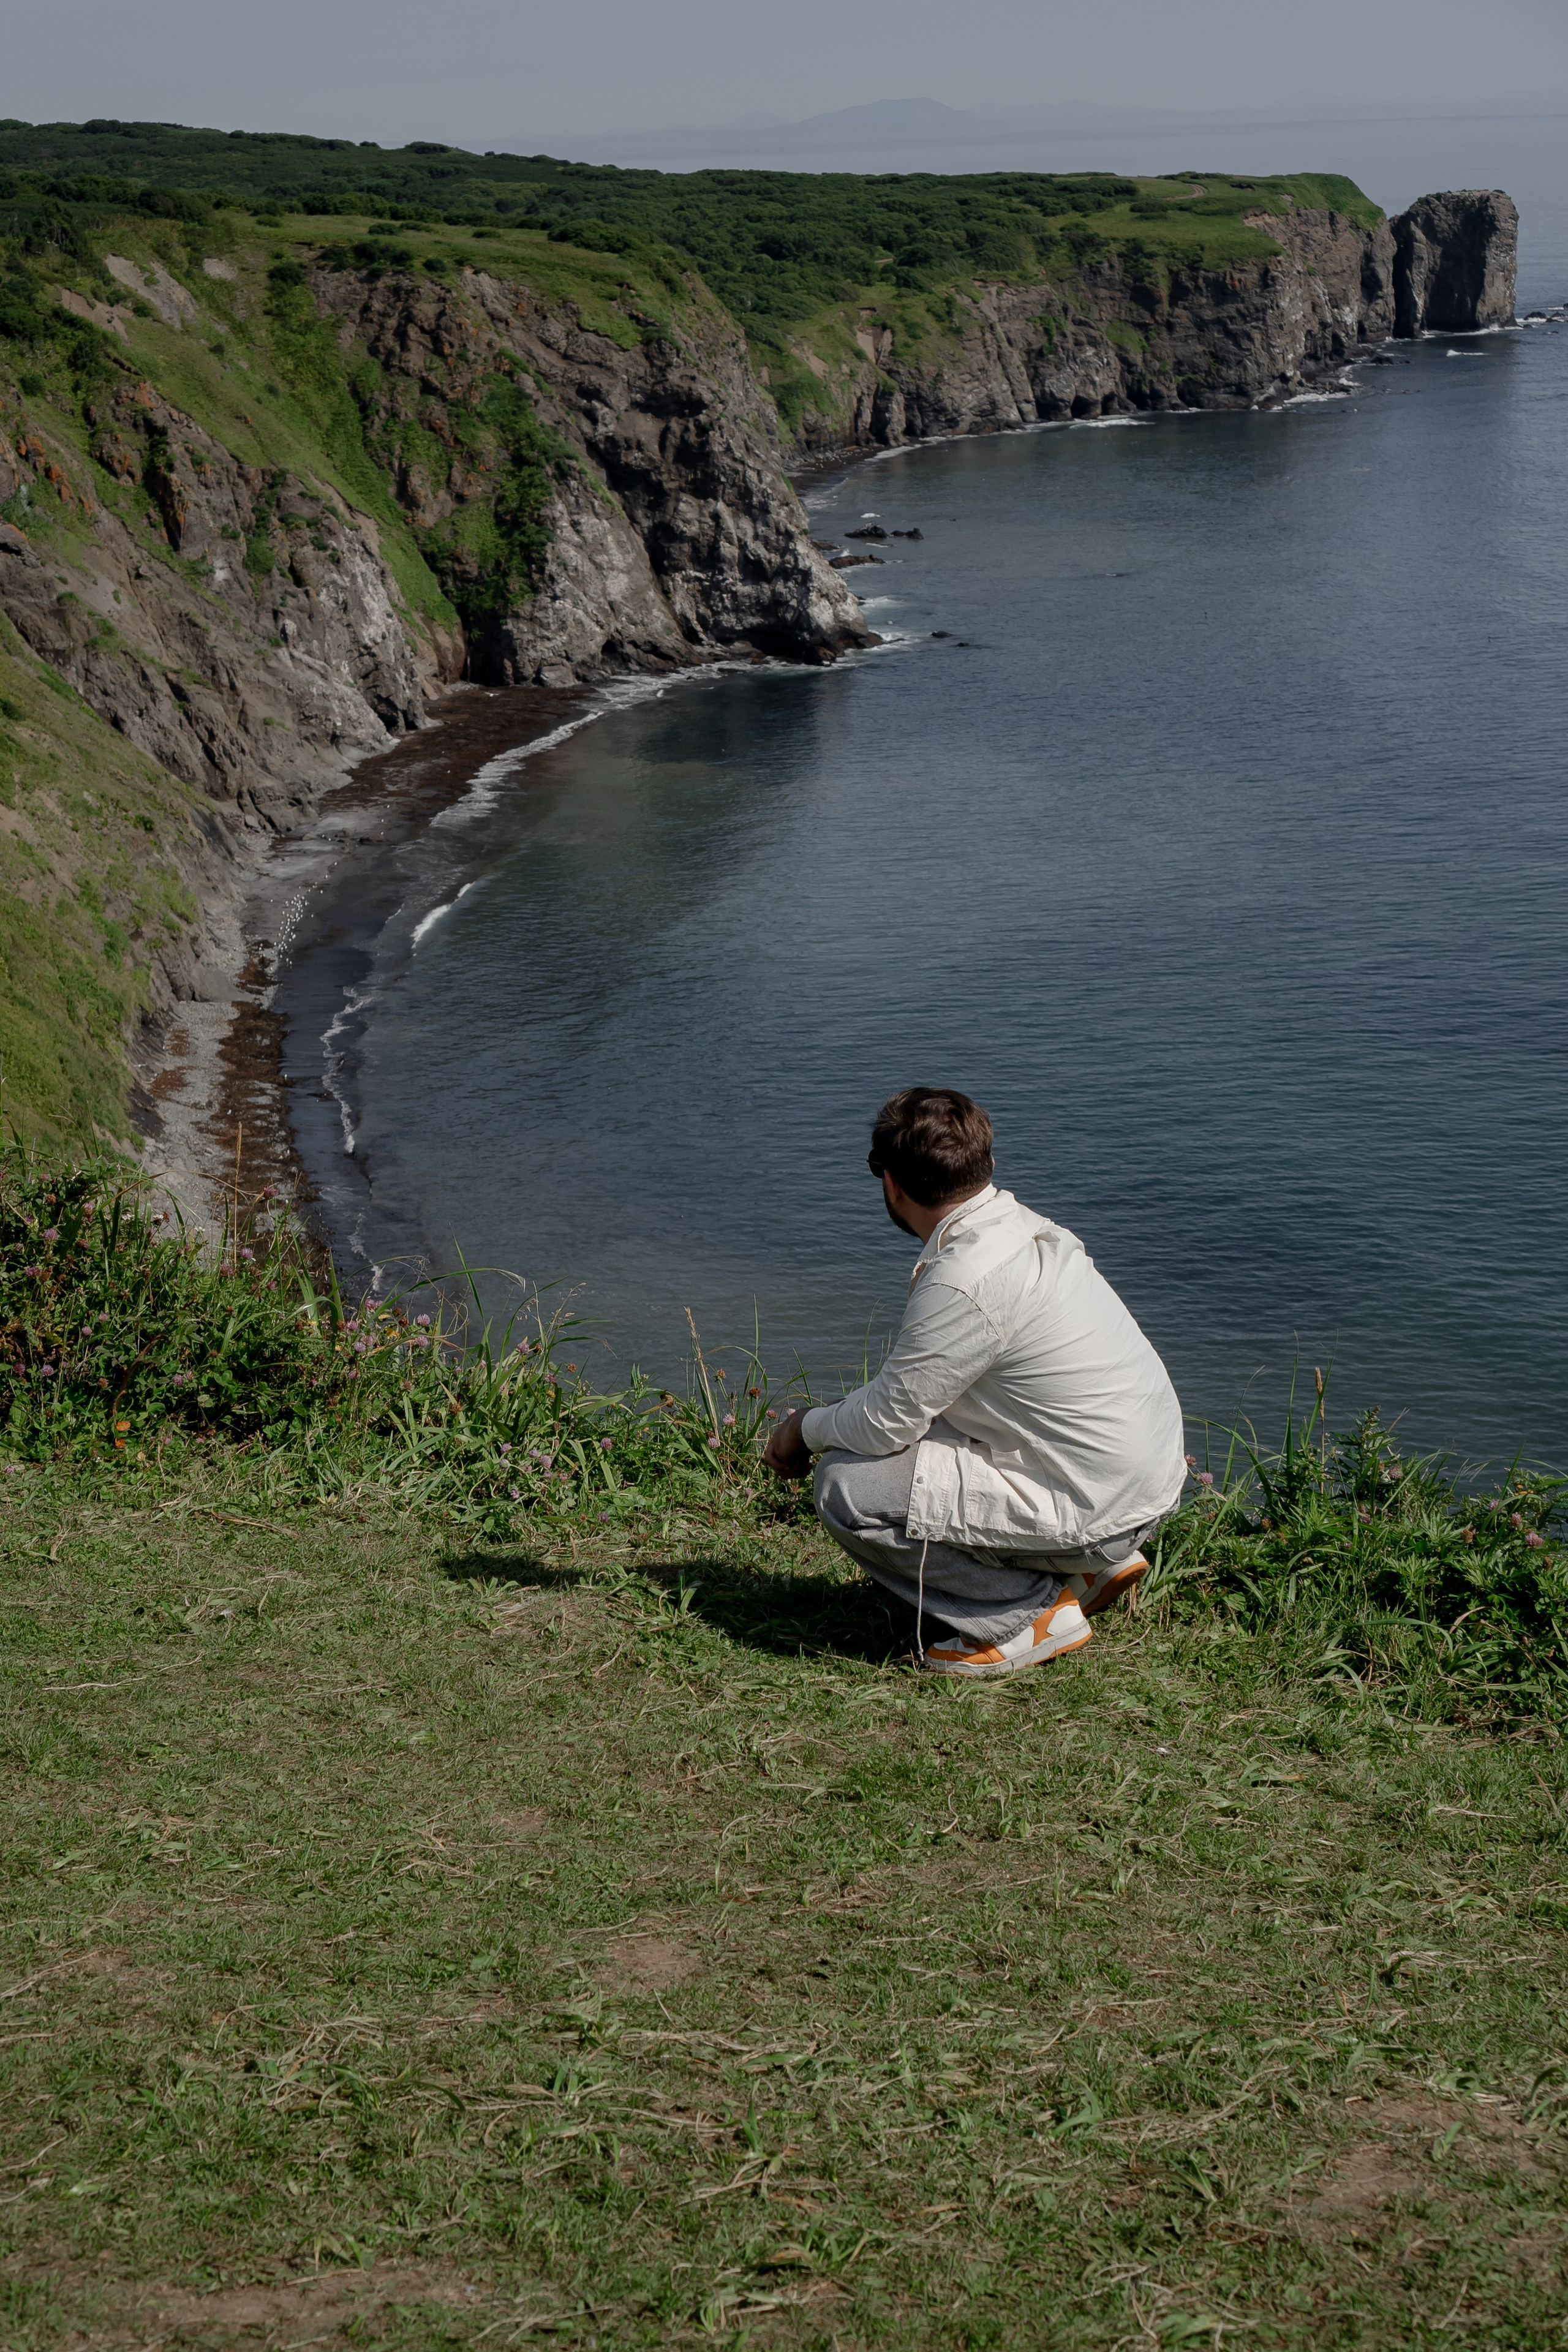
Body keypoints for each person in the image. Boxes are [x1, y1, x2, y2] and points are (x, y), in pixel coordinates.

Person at [763, 1087, 1186, 1678]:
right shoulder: (1023, 1229)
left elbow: (887, 1422)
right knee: (925, 1429)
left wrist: (800, 1430)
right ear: (982, 1164)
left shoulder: (964, 1279)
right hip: (1138, 1485)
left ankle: (1023, 1616)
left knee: (847, 1486)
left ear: (892, 1184)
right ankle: (1083, 1569)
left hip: (1102, 1507)